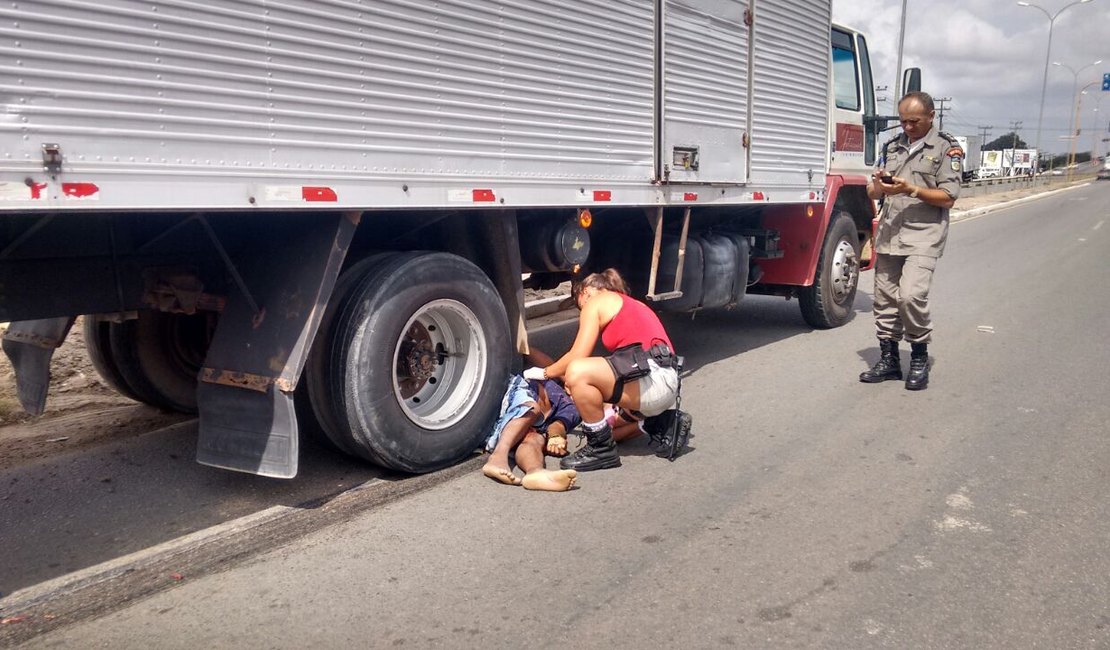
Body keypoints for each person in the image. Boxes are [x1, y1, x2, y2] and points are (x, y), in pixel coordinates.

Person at [523, 268, 684, 471]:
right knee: (601, 426)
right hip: (662, 382)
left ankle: (601, 451)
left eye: (578, 303)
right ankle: (661, 423)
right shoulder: (633, 304)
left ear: (585, 292)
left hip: (653, 382)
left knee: (577, 371)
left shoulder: (596, 302)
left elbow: (577, 356)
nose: (581, 309)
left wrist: (544, 373)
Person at [862, 91, 962, 390]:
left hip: (924, 234)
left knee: (910, 297)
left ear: (931, 116)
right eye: (903, 121)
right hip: (891, 232)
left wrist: (911, 190)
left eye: (914, 121)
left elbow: (948, 197)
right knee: (884, 300)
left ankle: (918, 356)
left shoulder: (947, 149)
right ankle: (889, 359)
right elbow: (871, 192)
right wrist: (879, 187)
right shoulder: (892, 146)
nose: (907, 127)